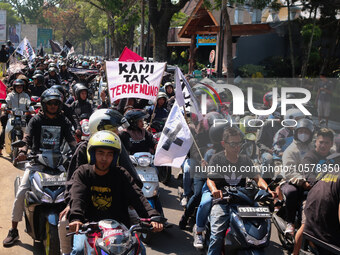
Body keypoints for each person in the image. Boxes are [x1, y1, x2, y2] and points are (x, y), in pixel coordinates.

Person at [68, 130, 163, 254]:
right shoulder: (83, 172)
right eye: (100, 153)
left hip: (119, 228)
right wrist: (76, 218)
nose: (104, 158)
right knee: (79, 249)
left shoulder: (121, 174)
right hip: (89, 227)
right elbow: (77, 196)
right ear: (92, 153)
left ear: (115, 157)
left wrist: (152, 216)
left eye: (109, 154)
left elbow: (137, 196)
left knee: (139, 249)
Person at [2, 88, 77, 247]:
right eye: (50, 103)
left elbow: (71, 141)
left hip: (58, 163)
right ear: (44, 104)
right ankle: (13, 230)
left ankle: (79, 228)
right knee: (22, 191)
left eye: (56, 103)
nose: (53, 106)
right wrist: (23, 151)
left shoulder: (63, 120)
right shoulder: (36, 120)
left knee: (74, 190)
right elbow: (27, 137)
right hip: (36, 162)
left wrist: (78, 152)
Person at [206, 127, 275, 255]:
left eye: (239, 143)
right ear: (224, 144)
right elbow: (210, 179)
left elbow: (257, 178)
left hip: (244, 201)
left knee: (261, 227)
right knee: (217, 235)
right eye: (233, 144)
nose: (237, 147)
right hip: (224, 201)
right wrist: (215, 190)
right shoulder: (217, 159)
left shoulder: (245, 160)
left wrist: (267, 189)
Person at [292, 128, 334, 255]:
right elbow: (311, 178)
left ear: (331, 144)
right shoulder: (309, 157)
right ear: (316, 142)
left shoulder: (334, 157)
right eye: (321, 142)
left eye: (327, 143)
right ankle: (295, 252)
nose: (323, 145)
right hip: (311, 196)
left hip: (332, 197)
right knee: (306, 226)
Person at [281, 118, 315, 236]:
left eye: (307, 132)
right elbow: (289, 172)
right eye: (301, 131)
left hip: (312, 182)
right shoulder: (291, 150)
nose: (304, 134)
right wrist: (303, 182)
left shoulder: (314, 148)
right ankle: (290, 222)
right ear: (296, 133)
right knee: (292, 192)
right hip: (293, 182)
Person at [0, 79, 33, 156]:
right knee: (7, 130)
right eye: (17, 87)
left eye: (21, 87)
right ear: (14, 87)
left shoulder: (26, 95)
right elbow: (6, 102)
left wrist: (32, 109)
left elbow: (29, 104)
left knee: (27, 133)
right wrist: (4, 106)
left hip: (22, 118)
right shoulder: (10, 95)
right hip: (12, 117)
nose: (19, 88)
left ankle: (32, 149)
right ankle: (4, 148)